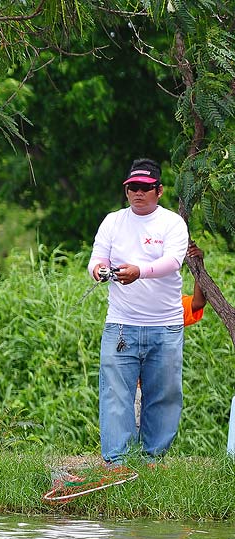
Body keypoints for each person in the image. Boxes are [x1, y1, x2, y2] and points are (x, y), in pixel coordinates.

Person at [88, 157, 188, 465]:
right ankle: (117, 462)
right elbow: (95, 260)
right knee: (116, 394)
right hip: (121, 324)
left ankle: (152, 459)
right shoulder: (113, 221)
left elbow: (173, 261)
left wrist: (139, 271)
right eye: (132, 187)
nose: (137, 193)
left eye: (145, 188)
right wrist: (100, 270)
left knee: (164, 395)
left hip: (166, 325)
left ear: (159, 190)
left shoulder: (172, 223)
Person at [134, 239, 207, 427]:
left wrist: (199, 266)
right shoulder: (131, 302)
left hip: (157, 384)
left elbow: (198, 303)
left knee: (152, 431)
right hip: (132, 386)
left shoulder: (172, 305)